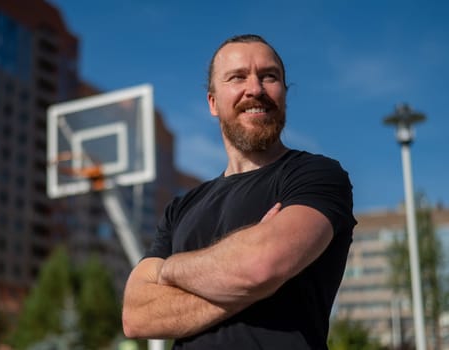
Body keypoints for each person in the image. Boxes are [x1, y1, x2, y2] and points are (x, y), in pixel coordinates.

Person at [122, 34, 357, 349]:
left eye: (269, 76)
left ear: (285, 94)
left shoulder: (316, 175)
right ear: (213, 102)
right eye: (237, 77)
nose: (256, 89)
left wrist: (167, 270)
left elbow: (259, 266)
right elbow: (137, 316)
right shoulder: (182, 207)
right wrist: (248, 280)